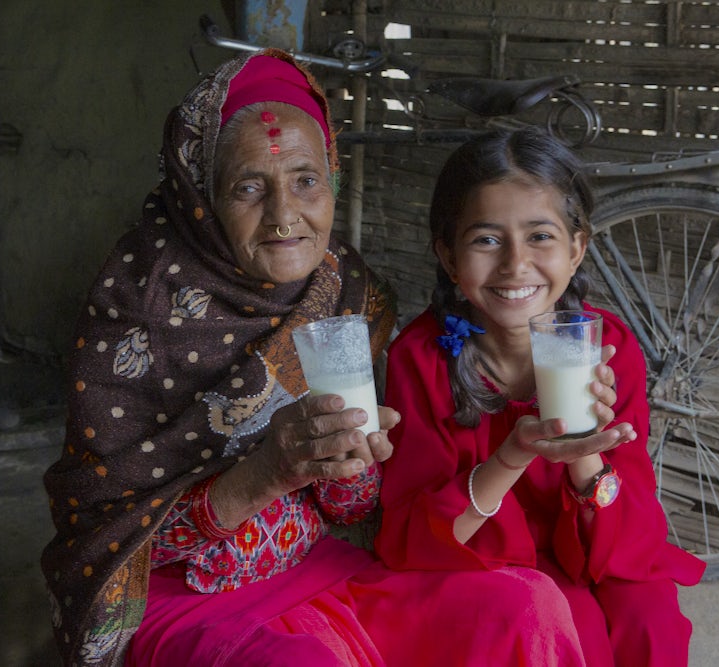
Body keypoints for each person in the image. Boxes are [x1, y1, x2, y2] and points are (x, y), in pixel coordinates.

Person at [41, 51, 588, 667]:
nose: (285, 217)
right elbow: (102, 532)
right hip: (185, 594)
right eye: (249, 187)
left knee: (525, 607)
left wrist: (348, 462)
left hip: (323, 566)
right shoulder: (138, 308)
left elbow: (353, 512)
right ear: (200, 195)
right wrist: (269, 471)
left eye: (306, 179)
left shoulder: (341, 289)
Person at [375, 126, 708, 666]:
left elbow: (628, 539)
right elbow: (415, 539)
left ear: (577, 248)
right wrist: (516, 455)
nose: (514, 265)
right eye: (486, 239)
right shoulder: (422, 357)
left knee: (651, 626)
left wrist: (583, 450)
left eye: (540, 236)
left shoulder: (610, 349)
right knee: (567, 633)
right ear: (448, 255)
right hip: (479, 560)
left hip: (597, 536)